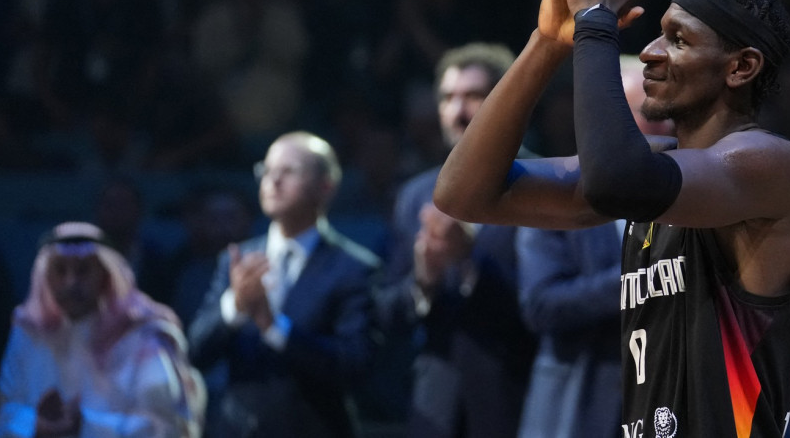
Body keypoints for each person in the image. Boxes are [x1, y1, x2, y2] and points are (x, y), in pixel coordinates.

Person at [433, 0, 790, 437]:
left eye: (679, 39)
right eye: (659, 31)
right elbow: (463, 194)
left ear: (741, 67)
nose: (652, 51)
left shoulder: (771, 166)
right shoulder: (657, 167)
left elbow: (617, 181)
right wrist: (548, 42)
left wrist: (595, 20)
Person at [375, 42, 537, 438]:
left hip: (513, 396)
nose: (458, 111)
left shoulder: (547, 182)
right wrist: (424, 282)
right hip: (434, 404)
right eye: (448, 97)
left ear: (505, 100)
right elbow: (383, 311)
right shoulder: (415, 195)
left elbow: (544, 308)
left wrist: (469, 262)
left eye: (473, 96)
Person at [516, 55, 673, 438]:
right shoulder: (557, 190)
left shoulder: (696, 194)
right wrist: (642, 281)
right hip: (579, 407)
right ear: (610, 120)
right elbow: (542, 305)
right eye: (650, 112)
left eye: (671, 113)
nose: (666, 126)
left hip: (667, 405)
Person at [187, 131, 381, 438]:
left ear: (325, 186)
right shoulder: (238, 259)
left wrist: (274, 326)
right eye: (266, 170)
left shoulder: (354, 269)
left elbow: (355, 366)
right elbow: (195, 351)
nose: (273, 181)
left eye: (288, 171)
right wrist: (234, 306)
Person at [0, 221, 205, 438]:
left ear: (104, 275)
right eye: (60, 270)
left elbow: (166, 426)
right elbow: (5, 412)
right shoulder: (29, 332)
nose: (71, 282)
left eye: (83, 271)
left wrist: (86, 424)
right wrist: (37, 424)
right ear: (46, 276)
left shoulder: (142, 334)